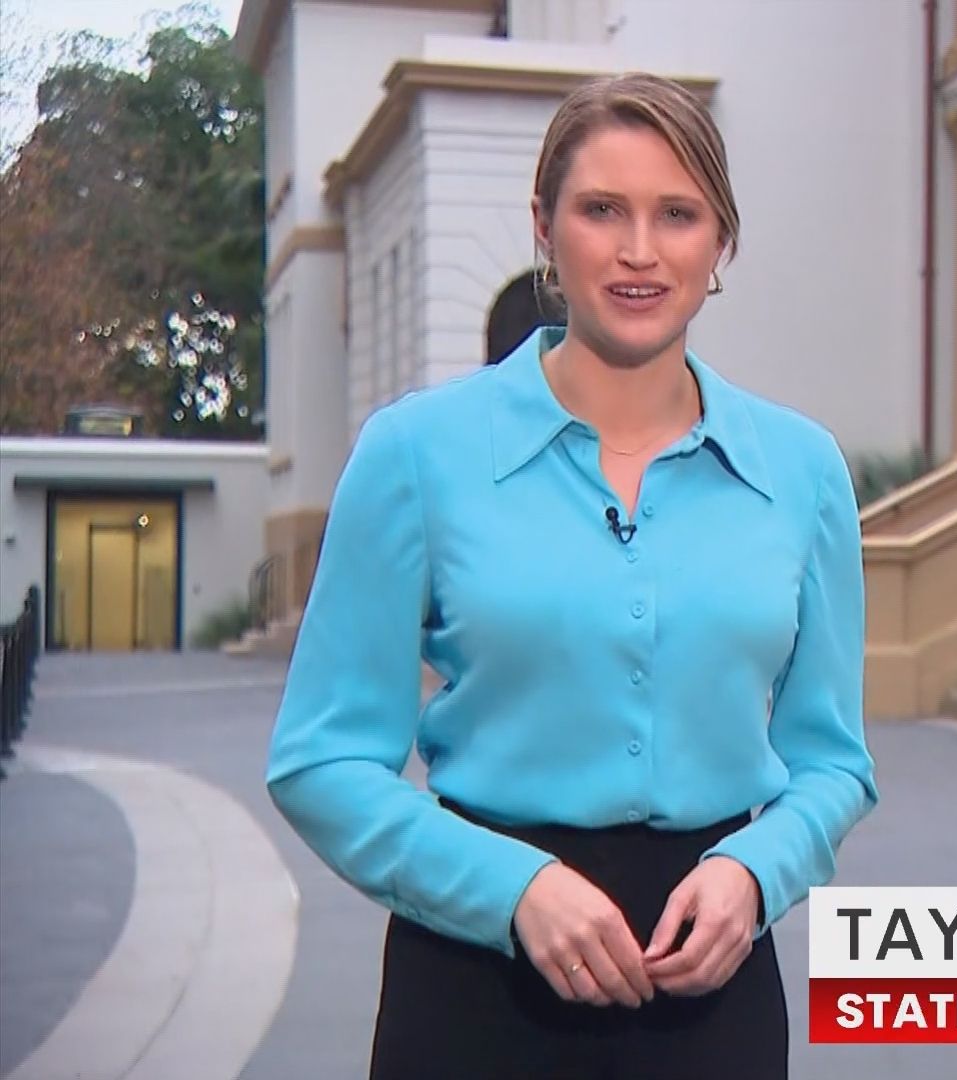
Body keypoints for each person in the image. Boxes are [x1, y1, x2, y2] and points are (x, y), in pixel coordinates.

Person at [263, 71, 879, 1079]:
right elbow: (320, 762)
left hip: (711, 1000)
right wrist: (511, 890)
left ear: (720, 241)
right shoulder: (415, 453)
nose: (640, 250)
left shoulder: (803, 471)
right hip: (474, 992)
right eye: (602, 210)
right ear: (545, 228)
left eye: (677, 214)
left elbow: (834, 762)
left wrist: (756, 874)